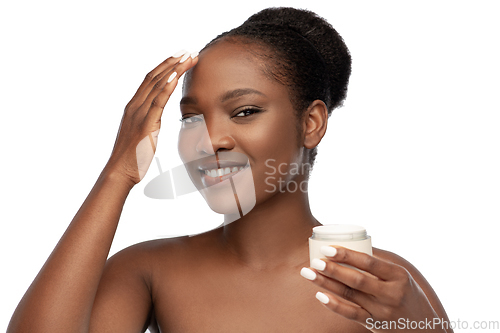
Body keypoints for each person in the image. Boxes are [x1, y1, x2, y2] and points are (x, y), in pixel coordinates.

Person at [7, 7, 453, 333]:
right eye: (190, 118)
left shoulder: (380, 282)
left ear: (311, 123)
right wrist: (117, 174)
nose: (209, 140)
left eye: (244, 111)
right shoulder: (148, 271)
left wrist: (422, 327)